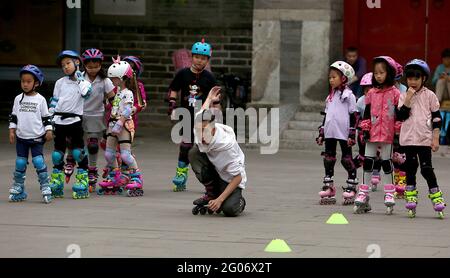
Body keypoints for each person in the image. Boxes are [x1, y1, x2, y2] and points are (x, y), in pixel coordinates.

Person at [397, 59, 446, 219]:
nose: (413, 81)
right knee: (410, 169)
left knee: (426, 169)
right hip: (408, 140)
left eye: (416, 78)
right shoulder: (403, 96)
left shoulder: (430, 96)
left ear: (423, 79)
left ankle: (436, 197)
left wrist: (436, 137)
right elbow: (401, 116)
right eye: (410, 78)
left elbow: (437, 118)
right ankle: (411, 197)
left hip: (424, 140)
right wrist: (408, 99)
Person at [167, 39, 218, 192]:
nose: (199, 61)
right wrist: (172, 102)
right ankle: (181, 176)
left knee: (206, 149)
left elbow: (215, 96)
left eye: (203, 58)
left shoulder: (209, 77)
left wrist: (216, 111)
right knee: (185, 147)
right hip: (187, 116)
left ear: (207, 60)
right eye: (197, 57)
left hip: (204, 118)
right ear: (192, 57)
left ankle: (212, 180)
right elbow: (174, 89)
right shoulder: (182, 74)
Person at [189, 87, 247, 217]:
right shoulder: (199, 127)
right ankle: (211, 193)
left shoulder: (227, 146)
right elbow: (202, 113)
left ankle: (239, 201)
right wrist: (210, 98)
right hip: (215, 171)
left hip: (229, 179)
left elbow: (238, 177)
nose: (201, 136)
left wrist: (220, 200)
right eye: (199, 131)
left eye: (205, 131)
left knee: (229, 209)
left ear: (214, 130)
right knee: (193, 152)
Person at [356, 56, 403, 215]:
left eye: (382, 72)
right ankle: (363, 192)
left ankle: (390, 192)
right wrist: (365, 128)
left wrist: (398, 130)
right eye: (376, 73)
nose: (378, 76)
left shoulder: (395, 93)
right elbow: (367, 113)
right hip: (372, 132)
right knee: (368, 162)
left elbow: (398, 114)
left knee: (386, 163)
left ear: (389, 73)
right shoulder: (371, 93)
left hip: (388, 134)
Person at [49, 50, 92, 199]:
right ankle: (56, 181)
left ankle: (83, 180)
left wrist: (80, 79)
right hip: (59, 121)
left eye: (68, 63)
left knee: (77, 152)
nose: (65, 67)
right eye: (63, 65)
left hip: (75, 121)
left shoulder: (84, 82)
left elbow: (86, 93)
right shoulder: (60, 82)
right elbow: (54, 101)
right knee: (57, 154)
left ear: (77, 62)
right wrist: (49, 118)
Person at [98, 57, 143, 197]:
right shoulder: (117, 91)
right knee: (108, 153)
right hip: (112, 124)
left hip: (122, 125)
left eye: (114, 78)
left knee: (125, 154)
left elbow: (128, 109)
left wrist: (120, 122)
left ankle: (136, 177)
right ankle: (115, 175)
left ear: (123, 78)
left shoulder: (128, 93)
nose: (112, 81)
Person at [8, 65, 54, 203]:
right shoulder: (18, 99)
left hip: (36, 137)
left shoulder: (40, 99)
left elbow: (46, 117)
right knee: (20, 162)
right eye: (23, 81)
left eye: (28, 81)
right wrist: (12, 130)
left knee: (38, 161)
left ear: (36, 83)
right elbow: (14, 116)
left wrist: (49, 130)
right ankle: (18, 187)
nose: (25, 84)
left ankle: (45, 186)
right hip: (21, 137)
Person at [316, 61, 358, 206]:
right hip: (330, 132)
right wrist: (321, 132)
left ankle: (351, 186)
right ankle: (329, 186)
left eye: (334, 77)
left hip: (344, 133)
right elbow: (326, 115)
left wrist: (352, 134)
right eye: (330, 77)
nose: (331, 80)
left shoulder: (349, 96)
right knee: (328, 158)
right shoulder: (330, 97)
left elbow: (354, 115)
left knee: (346, 159)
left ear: (344, 78)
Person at [80, 48, 115, 193]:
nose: (93, 70)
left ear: (101, 65)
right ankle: (81, 172)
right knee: (75, 147)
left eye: (96, 66)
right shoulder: (79, 78)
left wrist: (116, 113)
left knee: (93, 145)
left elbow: (113, 98)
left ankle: (92, 172)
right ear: (84, 65)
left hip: (96, 115)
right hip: (78, 115)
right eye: (90, 67)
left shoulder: (105, 80)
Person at [355, 72, 382, 192]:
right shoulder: (361, 101)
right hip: (364, 129)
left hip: (378, 130)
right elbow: (357, 116)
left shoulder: (381, 100)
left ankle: (376, 171)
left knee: (378, 153)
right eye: (366, 90)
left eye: (371, 89)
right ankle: (363, 166)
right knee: (365, 153)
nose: (368, 93)